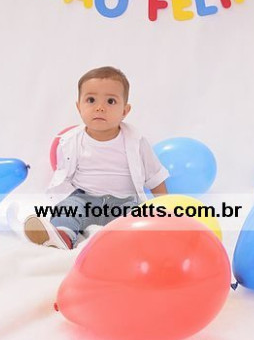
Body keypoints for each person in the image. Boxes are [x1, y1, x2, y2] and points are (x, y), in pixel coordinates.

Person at [24, 66, 168, 249]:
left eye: (111, 101)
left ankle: (131, 243)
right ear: (79, 107)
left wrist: (167, 209)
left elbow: (155, 177)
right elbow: (64, 176)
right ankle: (63, 236)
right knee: (67, 210)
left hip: (124, 202)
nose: (100, 108)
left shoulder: (136, 141)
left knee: (139, 218)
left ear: (125, 111)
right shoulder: (71, 141)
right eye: (91, 100)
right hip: (84, 199)